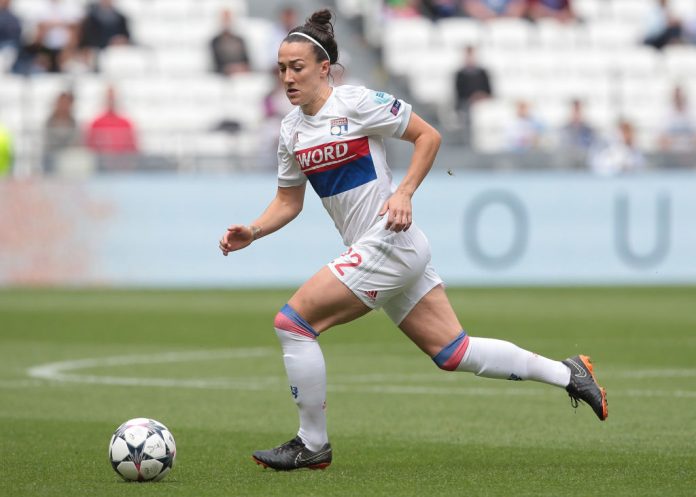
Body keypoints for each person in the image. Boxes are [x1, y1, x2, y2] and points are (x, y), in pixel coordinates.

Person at [219, 9, 608, 472]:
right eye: (281, 68)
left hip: (388, 240)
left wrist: (403, 192)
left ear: (324, 68)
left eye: (296, 67)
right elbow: (288, 201)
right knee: (453, 351)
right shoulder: (291, 130)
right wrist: (254, 230)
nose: (287, 78)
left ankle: (312, 442)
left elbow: (428, 136)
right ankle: (569, 372)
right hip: (387, 250)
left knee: (293, 324)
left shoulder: (356, 102)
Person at [85, 85, 138, 170]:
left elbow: (133, 149)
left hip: (122, 167)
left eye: (113, 98)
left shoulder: (126, 123)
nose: (111, 100)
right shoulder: (96, 123)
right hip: (100, 168)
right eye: (109, 98)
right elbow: (90, 149)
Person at [454, 45, 492, 147]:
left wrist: (480, 96)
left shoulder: (482, 73)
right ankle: (469, 143)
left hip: (483, 103)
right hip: (467, 104)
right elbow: (459, 93)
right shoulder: (460, 74)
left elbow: (489, 91)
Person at [43, 90, 80, 173]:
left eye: (66, 103)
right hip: (51, 157)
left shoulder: (73, 123)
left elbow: (75, 141)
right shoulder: (50, 122)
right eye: (61, 102)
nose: (64, 105)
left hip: (68, 158)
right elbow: (49, 141)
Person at [210, 8, 250, 75]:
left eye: (228, 19)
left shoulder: (240, 40)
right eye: (225, 19)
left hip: (242, 75)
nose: (227, 22)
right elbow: (216, 64)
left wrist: (240, 68)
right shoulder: (215, 41)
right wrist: (229, 69)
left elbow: (247, 61)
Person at [658, 85, 696, 153]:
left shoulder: (691, 114)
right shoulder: (666, 114)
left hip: (690, 154)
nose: (679, 99)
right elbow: (662, 138)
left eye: (680, 96)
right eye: (677, 96)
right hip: (671, 154)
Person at [462, 0, 527, 20]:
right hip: (481, 23)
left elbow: (518, 7)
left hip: (509, 23)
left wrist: (499, 18)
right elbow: (471, 5)